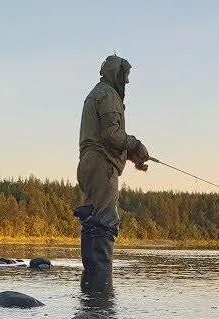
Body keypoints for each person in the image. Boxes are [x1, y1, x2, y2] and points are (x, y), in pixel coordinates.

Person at [75, 54, 150, 287]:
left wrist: (131, 155)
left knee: (92, 221)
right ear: (115, 74)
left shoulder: (96, 94)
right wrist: (136, 145)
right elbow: (112, 135)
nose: (126, 82)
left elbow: (106, 136)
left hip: (90, 164)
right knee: (104, 223)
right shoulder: (108, 95)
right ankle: (101, 292)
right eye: (125, 76)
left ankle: (91, 290)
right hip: (101, 166)